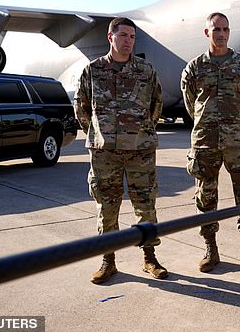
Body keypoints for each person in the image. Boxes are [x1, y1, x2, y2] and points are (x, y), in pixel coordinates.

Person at [74, 17, 168, 284]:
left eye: (132, 36)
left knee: (146, 205)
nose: (128, 41)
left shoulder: (146, 71)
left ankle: (150, 258)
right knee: (107, 208)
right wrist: (99, 134)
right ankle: (108, 261)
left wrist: (141, 132)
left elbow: (156, 104)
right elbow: (81, 106)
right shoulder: (93, 70)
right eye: (123, 35)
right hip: (105, 154)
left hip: (141, 151)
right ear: (110, 36)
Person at [180, 12, 240, 273]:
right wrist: (208, 123)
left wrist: (238, 123)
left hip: (239, 142)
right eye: (216, 29)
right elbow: (190, 102)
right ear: (207, 32)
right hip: (205, 142)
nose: (221, 33)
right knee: (205, 196)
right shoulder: (195, 67)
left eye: (225, 29)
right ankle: (210, 247)